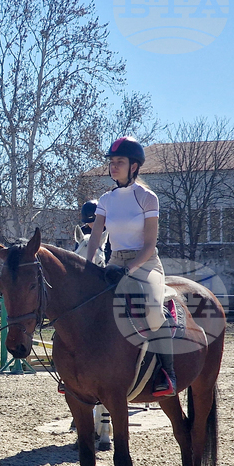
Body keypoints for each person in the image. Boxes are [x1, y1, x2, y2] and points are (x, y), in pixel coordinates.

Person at [84, 136, 176, 397]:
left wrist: (130, 269)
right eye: (112, 162)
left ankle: (167, 373)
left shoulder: (148, 198)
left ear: (134, 166)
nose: (114, 167)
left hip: (145, 263)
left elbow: (149, 245)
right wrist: (88, 267)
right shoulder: (105, 199)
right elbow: (95, 237)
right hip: (114, 262)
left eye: (120, 162)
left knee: (156, 313)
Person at [74, 200, 110, 267]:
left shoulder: (111, 231)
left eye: (94, 221)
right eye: (88, 222)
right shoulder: (83, 231)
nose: (92, 225)